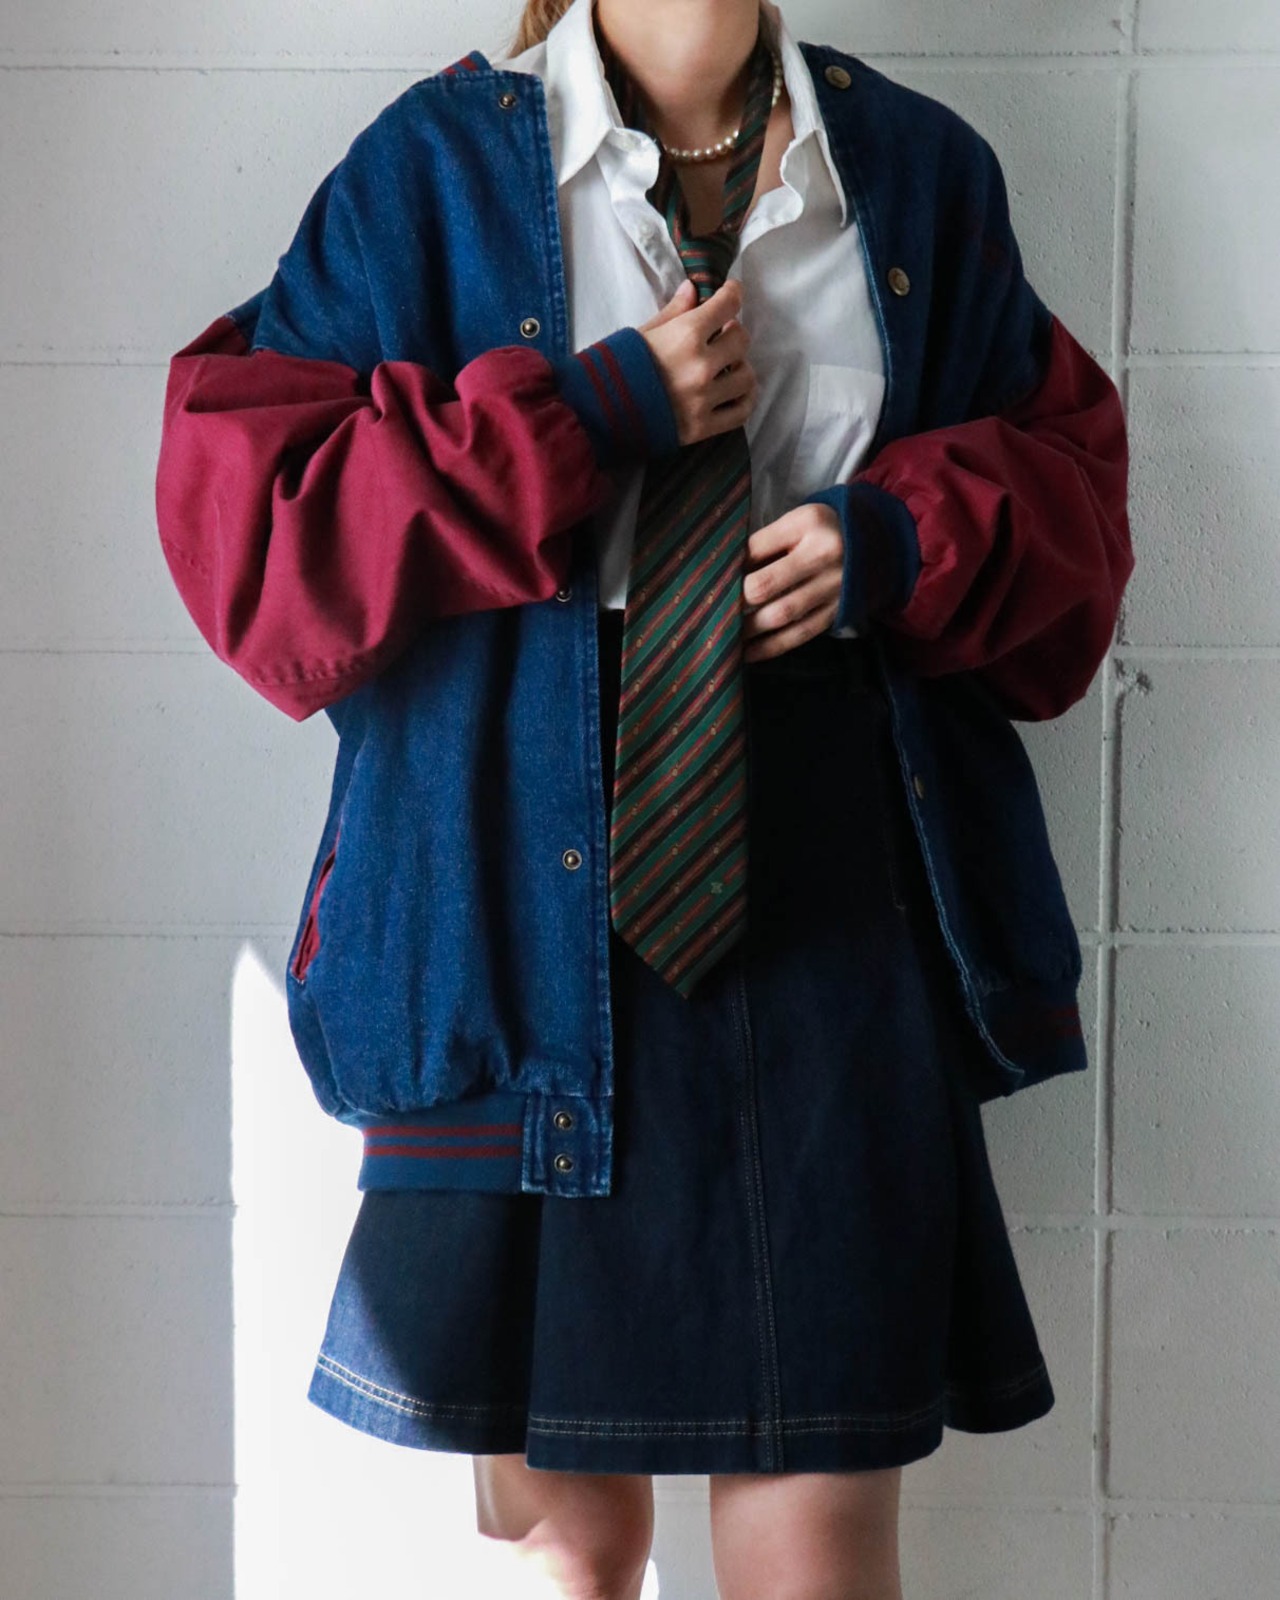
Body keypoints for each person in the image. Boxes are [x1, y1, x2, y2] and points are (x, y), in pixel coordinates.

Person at [154, 0, 1132, 1594]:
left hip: (830, 910)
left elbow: (1075, 498)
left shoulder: (914, 172)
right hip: (514, 914)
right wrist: (589, 415)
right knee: (570, 1548)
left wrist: (899, 541)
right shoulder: (433, 174)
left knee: (817, 1552)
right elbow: (254, 530)